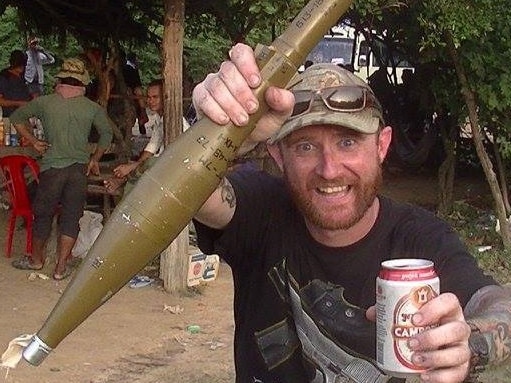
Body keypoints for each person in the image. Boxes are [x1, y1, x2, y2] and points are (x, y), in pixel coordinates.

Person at [190, 43, 511, 383]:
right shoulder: (260, 212)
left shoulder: (421, 238)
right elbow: (192, 197)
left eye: (348, 142)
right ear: (279, 156)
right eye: (305, 146)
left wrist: (472, 342)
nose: (329, 170)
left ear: (381, 146)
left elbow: (496, 302)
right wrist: (216, 134)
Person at [9, 57, 113, 281]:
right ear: (82, 82)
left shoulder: (45, 102)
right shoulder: (91, 107)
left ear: (60, 80)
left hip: (51, 169)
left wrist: (34, 142)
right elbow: (106, 134)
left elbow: (17, 118)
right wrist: (95, 158)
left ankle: (36, 260)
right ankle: (60, 267)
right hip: (78, 170)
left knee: (43, 215)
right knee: (71, 217)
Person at [104, 79, 190, 194]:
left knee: (148, 164)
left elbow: (164, 158)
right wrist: (133, 165)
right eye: (149, 97)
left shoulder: (174, 121)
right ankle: (123, 180)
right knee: (139, 163)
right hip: (163, 164)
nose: (151, 101)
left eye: (155, 97)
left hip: (179, 167)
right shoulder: (159, 120)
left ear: (165, 97)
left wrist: (132, 167)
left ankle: (123, 182)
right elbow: (152, 147)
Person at [0, 50, 31, 117]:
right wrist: (18, 103)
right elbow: (1, 101)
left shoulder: (22, 76)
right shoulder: (4, 77)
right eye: (20, 65)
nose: (22, 67)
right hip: (11, 116)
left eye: (24, 65)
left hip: (25, 114)